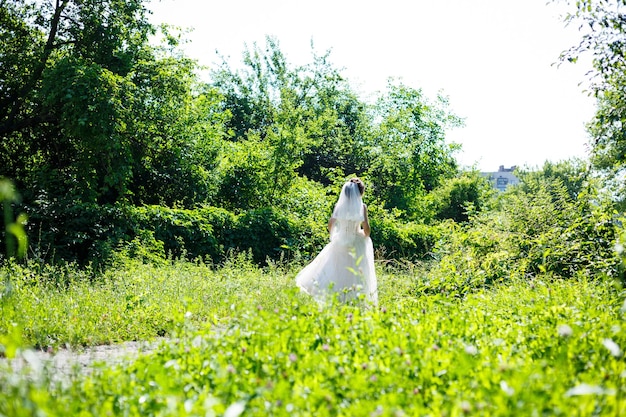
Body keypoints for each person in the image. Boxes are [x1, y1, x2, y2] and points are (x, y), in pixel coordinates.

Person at [295, 178, 377, 305]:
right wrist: (360, 233)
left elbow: (330, 224)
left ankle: (336, 296)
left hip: (341, 241)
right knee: (356, 270)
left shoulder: (339, 206)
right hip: (356, 241)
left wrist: (336, 235)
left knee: (337, 269)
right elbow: (366, 230)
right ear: (360, 193)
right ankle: (353, 298)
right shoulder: (362, 207)